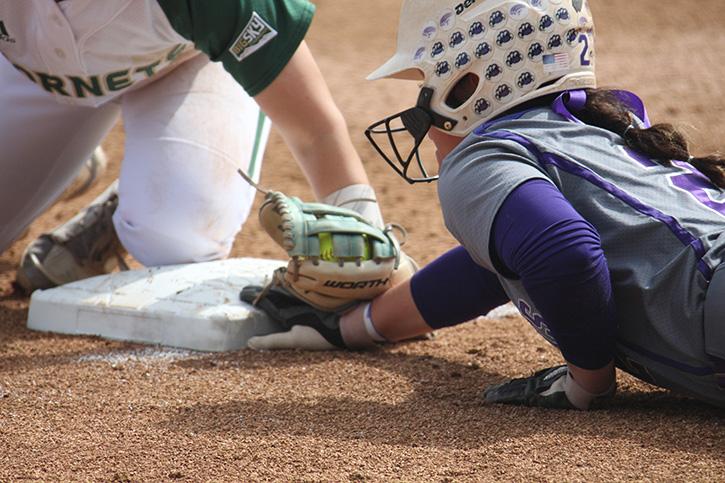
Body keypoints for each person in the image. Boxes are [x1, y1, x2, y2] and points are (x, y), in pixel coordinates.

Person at [242, 0, 725, 410]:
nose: (422, 113)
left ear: (467, 84)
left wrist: (587, 384)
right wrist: (353, 327)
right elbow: (501, 264)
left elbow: (560, 251)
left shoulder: (481, 154)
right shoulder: (599, 128)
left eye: (425, 84)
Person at [1, 0, 387, 292]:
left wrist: (368, 248)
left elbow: (315, 130)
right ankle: (61, 170)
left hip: (189, 56)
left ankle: (126, 204)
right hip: (29, 73)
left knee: (176, 234)